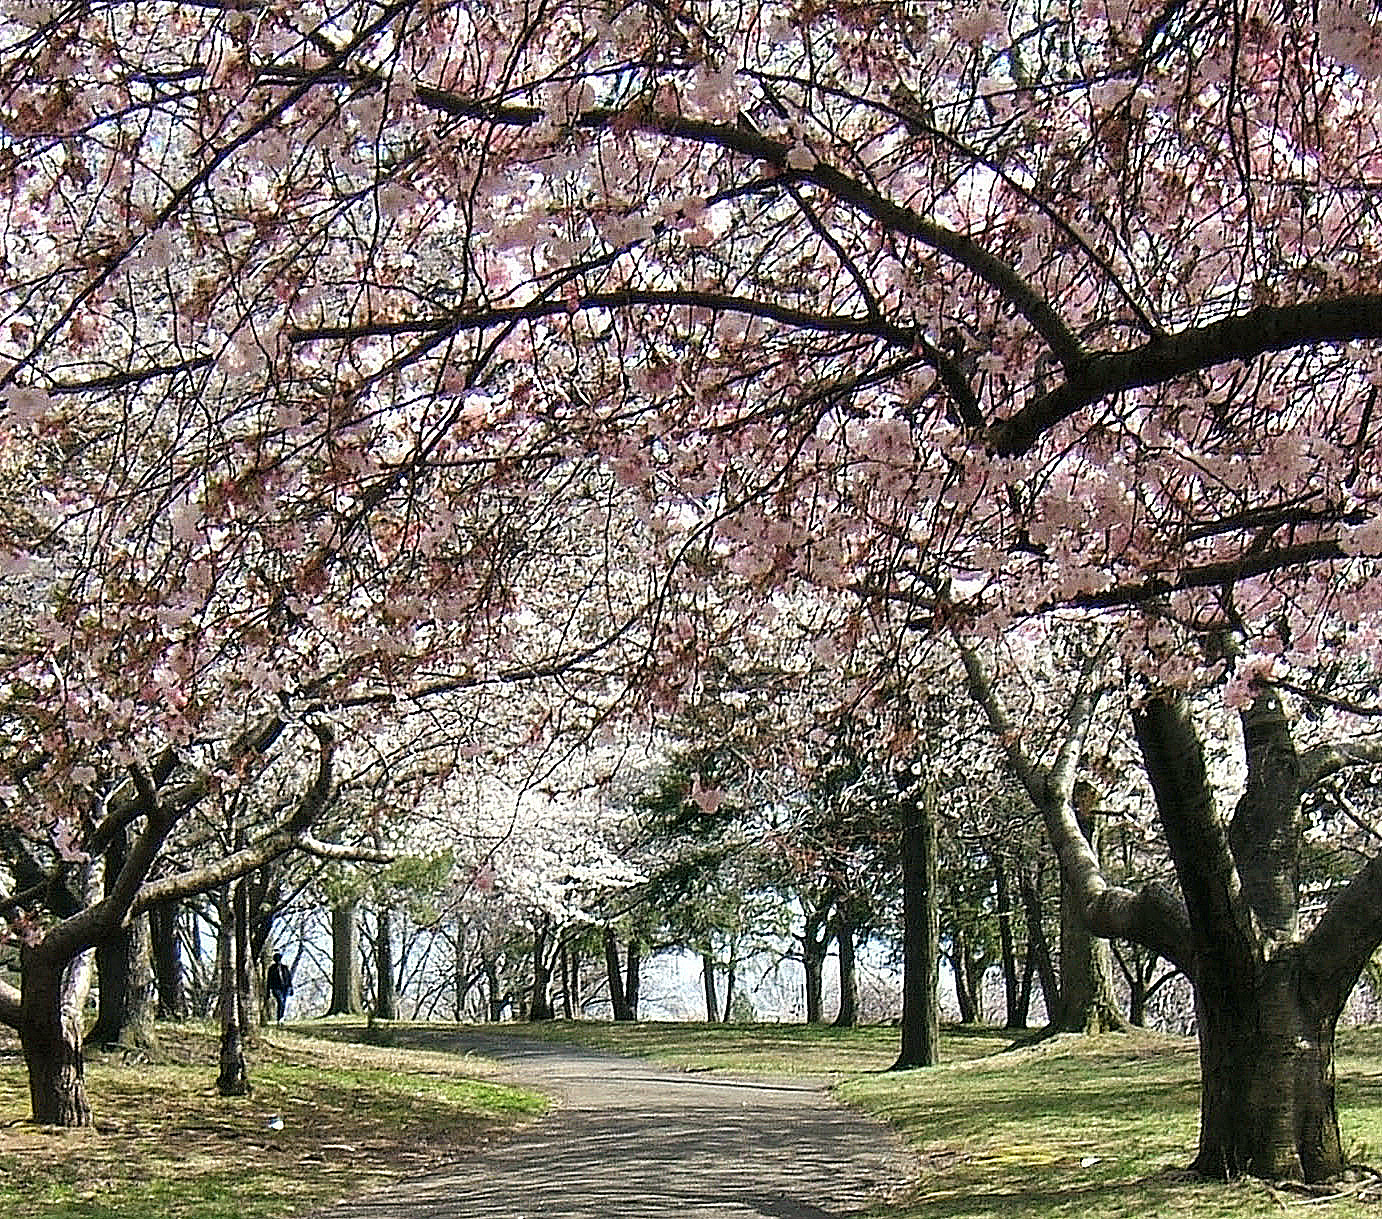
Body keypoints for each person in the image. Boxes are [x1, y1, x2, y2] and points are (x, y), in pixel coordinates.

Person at [267, 951, 293, 1022]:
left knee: (284, 1002)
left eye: (279, 959)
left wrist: (291, 988)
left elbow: (289, 978)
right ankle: (279, 1018)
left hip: (285, 987)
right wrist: (268, 991)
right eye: (276, 959)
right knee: (280, 1001)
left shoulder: (285, 968)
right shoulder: (271, 969)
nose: (278, 960)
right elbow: (269, 980)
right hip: (276, 988)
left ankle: (281, 1017)